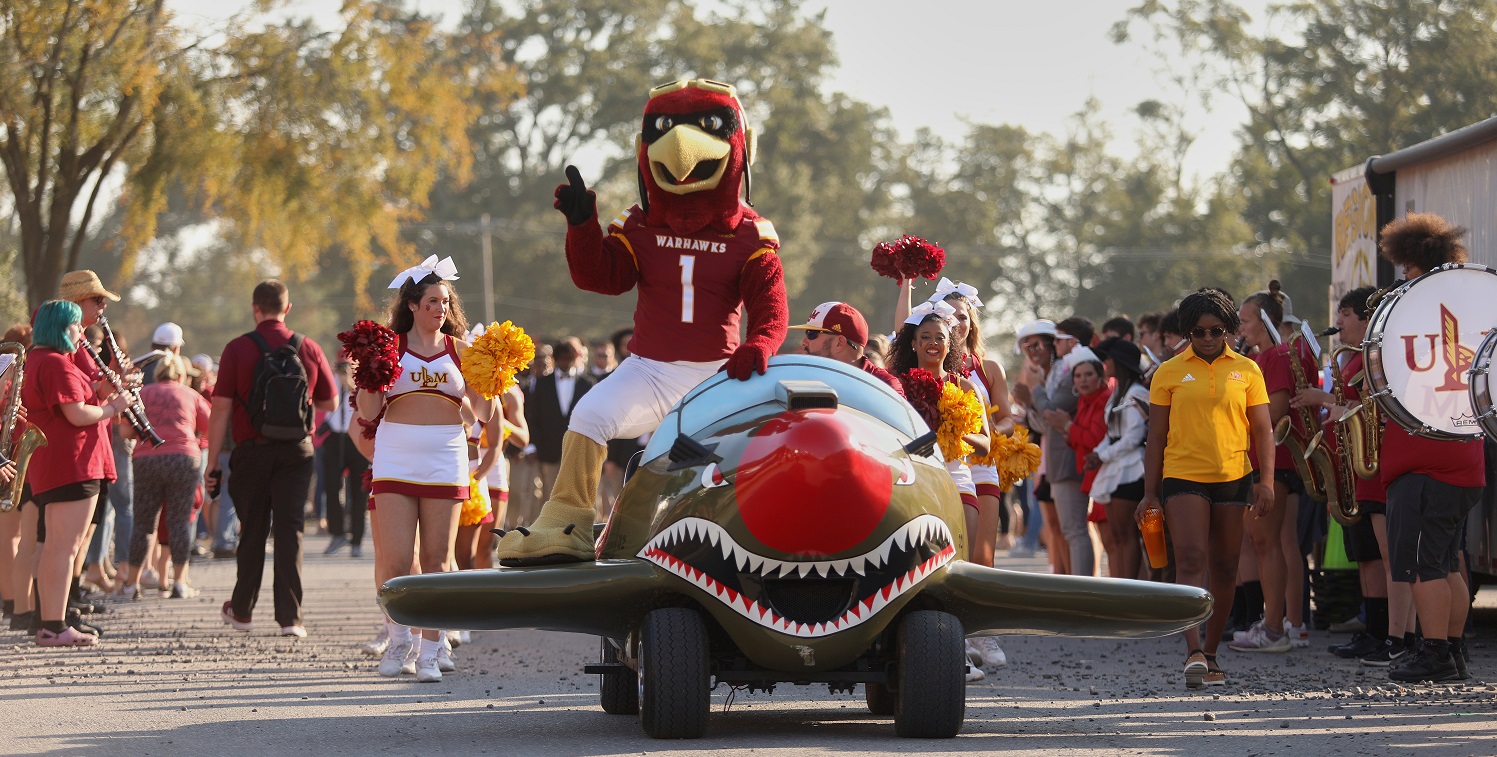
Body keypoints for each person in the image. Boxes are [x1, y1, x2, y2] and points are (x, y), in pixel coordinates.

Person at [497, 79, 788, 565]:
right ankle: (567, 522)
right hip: (649, 368)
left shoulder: (751, 235)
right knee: (589, 416)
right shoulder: (640, 223)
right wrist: (582, 227)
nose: (679, 146)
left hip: (718, 374)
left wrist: (758, 346)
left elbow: (771, 310)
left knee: (739, 456)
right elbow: (602, 278)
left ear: (741, 146)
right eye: (665, 129)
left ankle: (762, 538)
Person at [357, 260, 490, 682]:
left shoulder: (461, 350)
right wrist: (369, 376)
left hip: (445, 456)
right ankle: (400, 640)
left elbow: (484, 413)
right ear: (412, 305)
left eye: (446, 302)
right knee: (397, 561)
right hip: (395, 455)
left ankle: (431, 651)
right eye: (432, 302)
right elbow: (368, 413)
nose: (441, 310)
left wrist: (491, 376)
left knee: (437, 561)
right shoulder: (389, 346)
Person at [1139, 287, 1276, 688]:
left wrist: (1265, 481)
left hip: (1235, 476)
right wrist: (1150, 494)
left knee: (1225, 566)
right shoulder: (1168, 372)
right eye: (1199, 332)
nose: (1209, 339)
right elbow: (1156, 437)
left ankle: (1212, 653)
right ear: (1188, 333)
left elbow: (1264, 430)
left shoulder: (1248, 371)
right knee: (1193, 558)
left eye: (1217, 330)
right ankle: (1192, 650)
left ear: (1230, 329)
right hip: (1183, 476)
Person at [1368, 213, 1484, 683]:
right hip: (1465, 456)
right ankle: (1452, 651)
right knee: (1444, 561)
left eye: (1405, 267)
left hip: (1424, 463)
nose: (1402, 277)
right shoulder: (1473, 312)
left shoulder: (1409, 315)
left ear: (1415, 263)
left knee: (1421, 566)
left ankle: (1434, 651)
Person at [207, 280, 336, 640]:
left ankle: (243, 610)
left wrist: (213, 460)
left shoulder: (237, 348)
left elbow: (220, 408)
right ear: (287, 308)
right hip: (298, 450)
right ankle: (290, 619)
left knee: (252, 529)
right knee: (290, 530)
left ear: (255, 307)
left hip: (252, 449)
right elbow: (331, 402)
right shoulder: (307, 346)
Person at [888, 300, 990, 682]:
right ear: (912, 343)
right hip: (916, 480)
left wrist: (954, 432)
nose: (933, 343)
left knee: (957, 568)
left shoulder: (963, 385)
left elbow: (985, 444)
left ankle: (957, 651)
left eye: (940, 338)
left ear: (952, 344)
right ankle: (907, 647)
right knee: (913, 566)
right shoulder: (898, 387)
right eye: (925, 337)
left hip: (957, 479)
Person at [1290, 286, 1391, 663]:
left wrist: (1324, 400)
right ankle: (1373, 631)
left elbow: (1369, 408)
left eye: (1346, 315)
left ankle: (1386, 634)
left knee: (1378, 556)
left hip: (1368, 463)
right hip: (1349, 465)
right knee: (1364, 555)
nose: (1338, 322)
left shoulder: (1373, 359)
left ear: (1367, 320)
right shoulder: (1351, 357)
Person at [23, 300, 131, 646]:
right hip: (72, 463)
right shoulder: (55, 362)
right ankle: (54, 625)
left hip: (56, 463)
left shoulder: (40, 359)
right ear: (59, 327)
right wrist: (114, 406)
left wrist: (104, 390)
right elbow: (76, 414)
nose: (78, 332)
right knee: (63, 548)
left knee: (55, 546)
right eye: (74, 326)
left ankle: (49, 622)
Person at [1227, 281, 1316, 653]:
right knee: (1273, 543)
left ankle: (1276, 628)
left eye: (1245, 320)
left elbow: (1275, 412)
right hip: (1268, 461)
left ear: (1264, 319)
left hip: (1272, 461)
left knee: (1266, 543)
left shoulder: (1276, 356)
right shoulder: (1261, 357)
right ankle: (1282, 623)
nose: (1240, 328)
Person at [118, 355, 209, 599]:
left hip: (147, 459)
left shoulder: (144, 393)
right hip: (183, 459)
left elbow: (125, 429)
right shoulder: (190, 394)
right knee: (179, 522)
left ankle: (132, 584)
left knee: (144, 523)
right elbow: (210, 424)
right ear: (182, 376)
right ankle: (179, 582)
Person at [1087, 337, 1150, 580]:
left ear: (1120, 363)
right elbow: (1113, 434)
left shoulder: (1136, 393)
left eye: (1109, 359)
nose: (1105, 364)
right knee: (1118, 536)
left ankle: (1131, 587)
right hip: (1116, 467)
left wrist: (1102, 454)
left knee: (1129, 535)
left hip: (1132, 469)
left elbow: (1132, 437)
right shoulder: (1118, 394)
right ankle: (1123, 584)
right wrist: (1098, 453)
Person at [1011, 320, 1067, 575]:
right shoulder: (1045, 373)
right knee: (1054, 524)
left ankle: (1078, 579)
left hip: (1063, 455)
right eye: (1026, 347)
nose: (1032, 351)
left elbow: (1052, 422)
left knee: (1069, 526)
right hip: (1047, 455)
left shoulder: (1062, 372)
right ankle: (1060, 574)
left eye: (1036, 344)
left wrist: (1031, 402)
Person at [524, 339, 596, 511]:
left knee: (578, 496)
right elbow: (532, 417)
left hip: (578, 449)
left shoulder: (586, 383)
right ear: (555, 359)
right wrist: (532, 445)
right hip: (549, 451)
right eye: (561, 358)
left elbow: (593, 416)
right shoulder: (542, 383)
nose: (565, 362)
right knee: (550, 495)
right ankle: (550, 533)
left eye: (568, 358)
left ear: (574, 359)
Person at [790, 301, 903, 395]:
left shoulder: (885, 387)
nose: (803, 342)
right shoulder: (801, 377)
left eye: (811, 334)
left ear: (839, 343)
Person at [321, 360, 369, 558]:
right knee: (332, 488)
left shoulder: (362, 382)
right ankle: (337, 533)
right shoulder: (331, 380)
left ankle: (356, 538)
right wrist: (336, 382)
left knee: (358, 490)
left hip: (356, 438)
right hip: (334, 437)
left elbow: (364, 405)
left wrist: (350, 383)